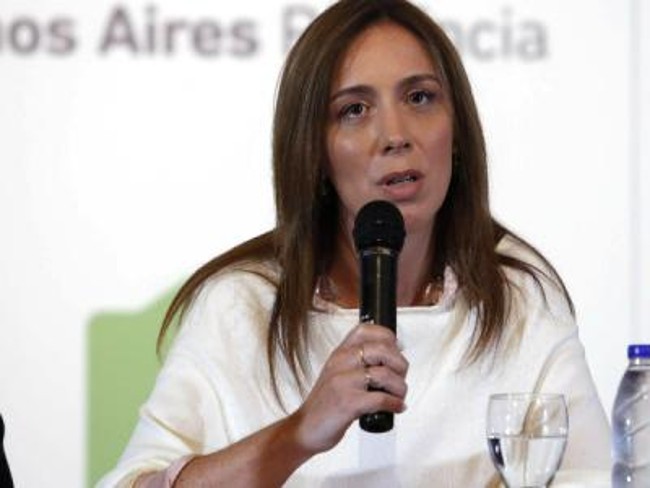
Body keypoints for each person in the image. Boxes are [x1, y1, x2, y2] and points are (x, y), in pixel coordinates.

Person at [99, 0, 610, 486]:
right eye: (354, 109)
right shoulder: (241, 305)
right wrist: (298, 433)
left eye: (419, 97)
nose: (395, 134)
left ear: (457, 131)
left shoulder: (519, 300)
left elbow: (594, 477)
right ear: (315, 152)